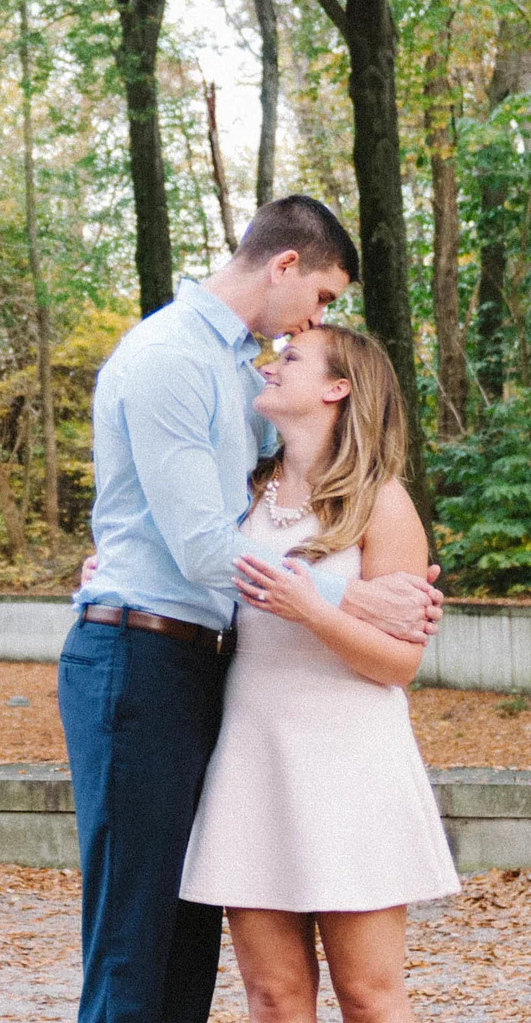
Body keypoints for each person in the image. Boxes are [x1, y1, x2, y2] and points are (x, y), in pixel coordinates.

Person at [61, 195, 443, 1023]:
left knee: (180, 949)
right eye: (322, 296)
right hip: (147, 660)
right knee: (137, 944)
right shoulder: (173, 356)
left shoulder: (242, 379)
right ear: (284, 266)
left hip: (215, 676)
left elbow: (195, 521)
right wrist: (350, 594)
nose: (311, 320)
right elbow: (200, 548)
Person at [181, 324, 458, 1022]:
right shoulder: (240, 494)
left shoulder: (381, 501)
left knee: (367, 993)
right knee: (273, 994)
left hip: (351, 766)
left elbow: (399, 663)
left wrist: (314, 610)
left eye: (291, 357)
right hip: (254, 759)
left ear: (337, 388)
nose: (271, 365)